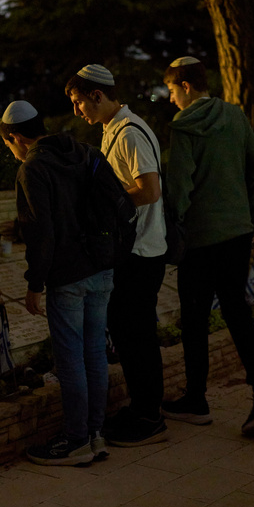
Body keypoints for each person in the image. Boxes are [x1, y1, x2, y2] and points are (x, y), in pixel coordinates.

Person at [161, 56, 254, 437]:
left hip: (201, 241)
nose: (169, 100)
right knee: (237, 312)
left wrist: (171, 232)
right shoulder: (235, 116)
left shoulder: (184, 127)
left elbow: (178, 189)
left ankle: (196, 399)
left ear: (184, 87)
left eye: (170, 91)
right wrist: (253, 226)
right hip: (236, 235)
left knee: (195, 320)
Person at [0, 100, 114, 466]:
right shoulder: (83, 151)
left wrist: (35, 282)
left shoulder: (34, 168)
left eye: (9, 145)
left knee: (70, 361)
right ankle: (96, 433)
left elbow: (40, 232)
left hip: (68, 275)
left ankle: (76, 439)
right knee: (95, 351)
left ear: (15, 137)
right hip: (103, 267)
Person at [65, 64, 169, 447]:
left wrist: (107, 204)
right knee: (129, 334)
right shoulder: (116, 131)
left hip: (141, 252)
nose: (78, 112)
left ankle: (149, 416)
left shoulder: (127, 134)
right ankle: (144, 409)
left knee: (137, 335)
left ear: (97, 95)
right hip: (136, 249)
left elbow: (150, 190)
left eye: (79, 102)